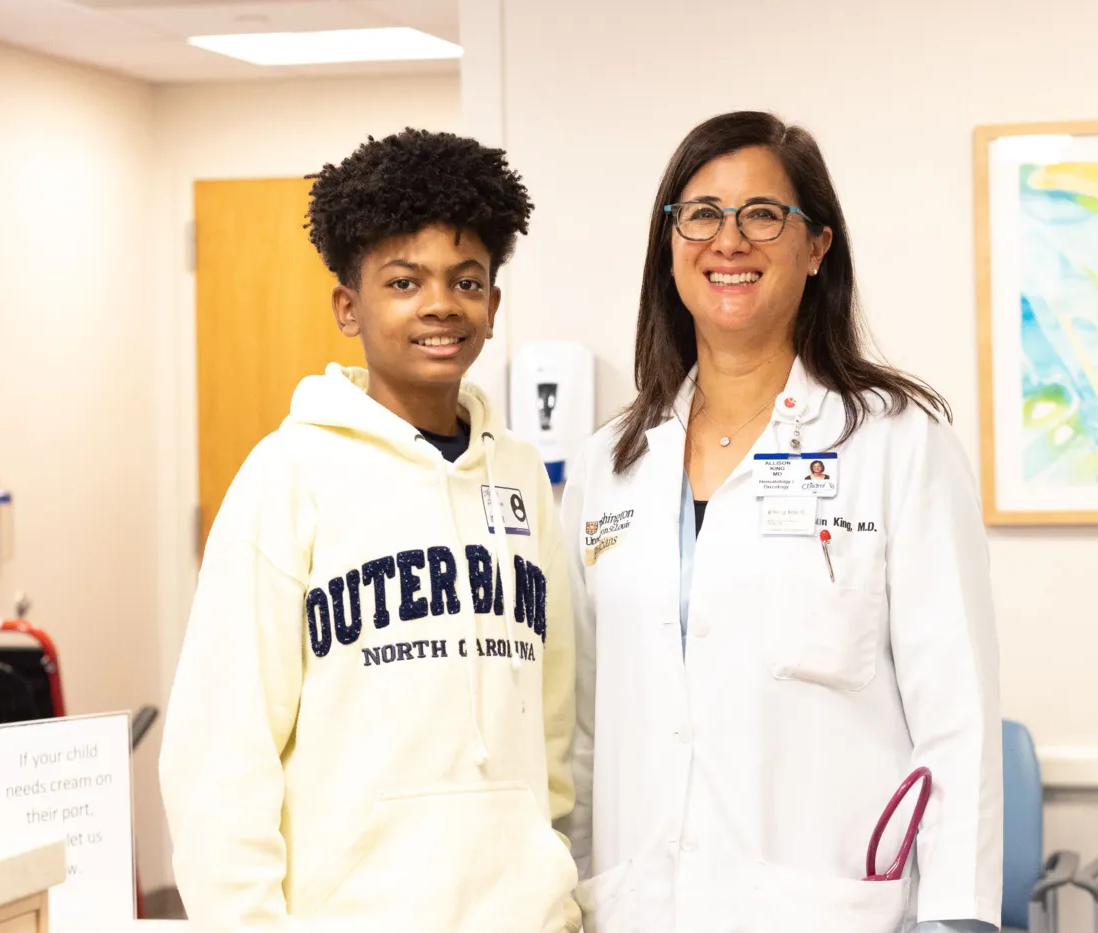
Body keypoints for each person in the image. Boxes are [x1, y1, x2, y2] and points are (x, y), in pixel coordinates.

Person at [559, 111, 1002, 933]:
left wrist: (955, 917)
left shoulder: (896, 442)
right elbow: (584, 728)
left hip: (829, 908)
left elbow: (959, 716)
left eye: (764, 214)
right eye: (701, 214)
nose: (729, 241)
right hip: (640, 906)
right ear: (670, 241)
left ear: (817, 247)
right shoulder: (607, 466)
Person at [159, 128, 580, 933]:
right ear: (348, 306)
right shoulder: (288, 475)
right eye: (403, 280)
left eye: (467, 280)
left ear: (493, 304)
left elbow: (553, 719)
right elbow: (222, 751)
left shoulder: (522, 475)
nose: (440, 304)